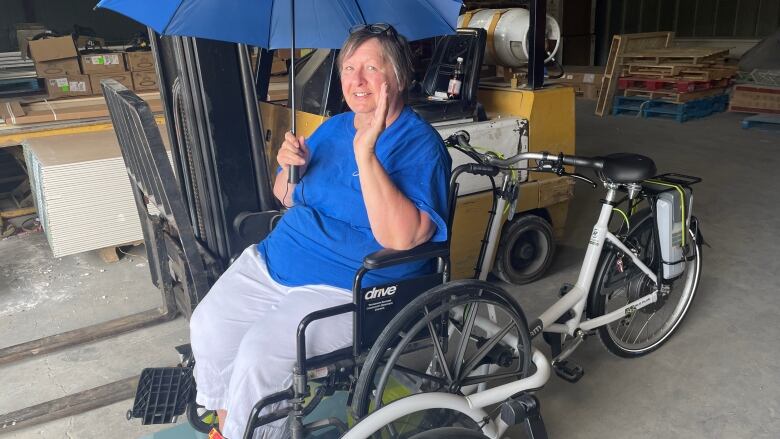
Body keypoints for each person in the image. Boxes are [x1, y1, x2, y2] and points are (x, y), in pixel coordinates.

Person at [189, 24, 452, 439]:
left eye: (371, 67)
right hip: (277, 261)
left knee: (259, 355)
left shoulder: (420, 146)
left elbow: (401, 239)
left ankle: (248, 433)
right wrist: (289, 166)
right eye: (349, 68)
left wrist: (366, 152)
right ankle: (229, 426)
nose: (357, 80)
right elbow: (286, 197)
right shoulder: (333, 127)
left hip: (349, 286)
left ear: (398, 77)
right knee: (210, 325)